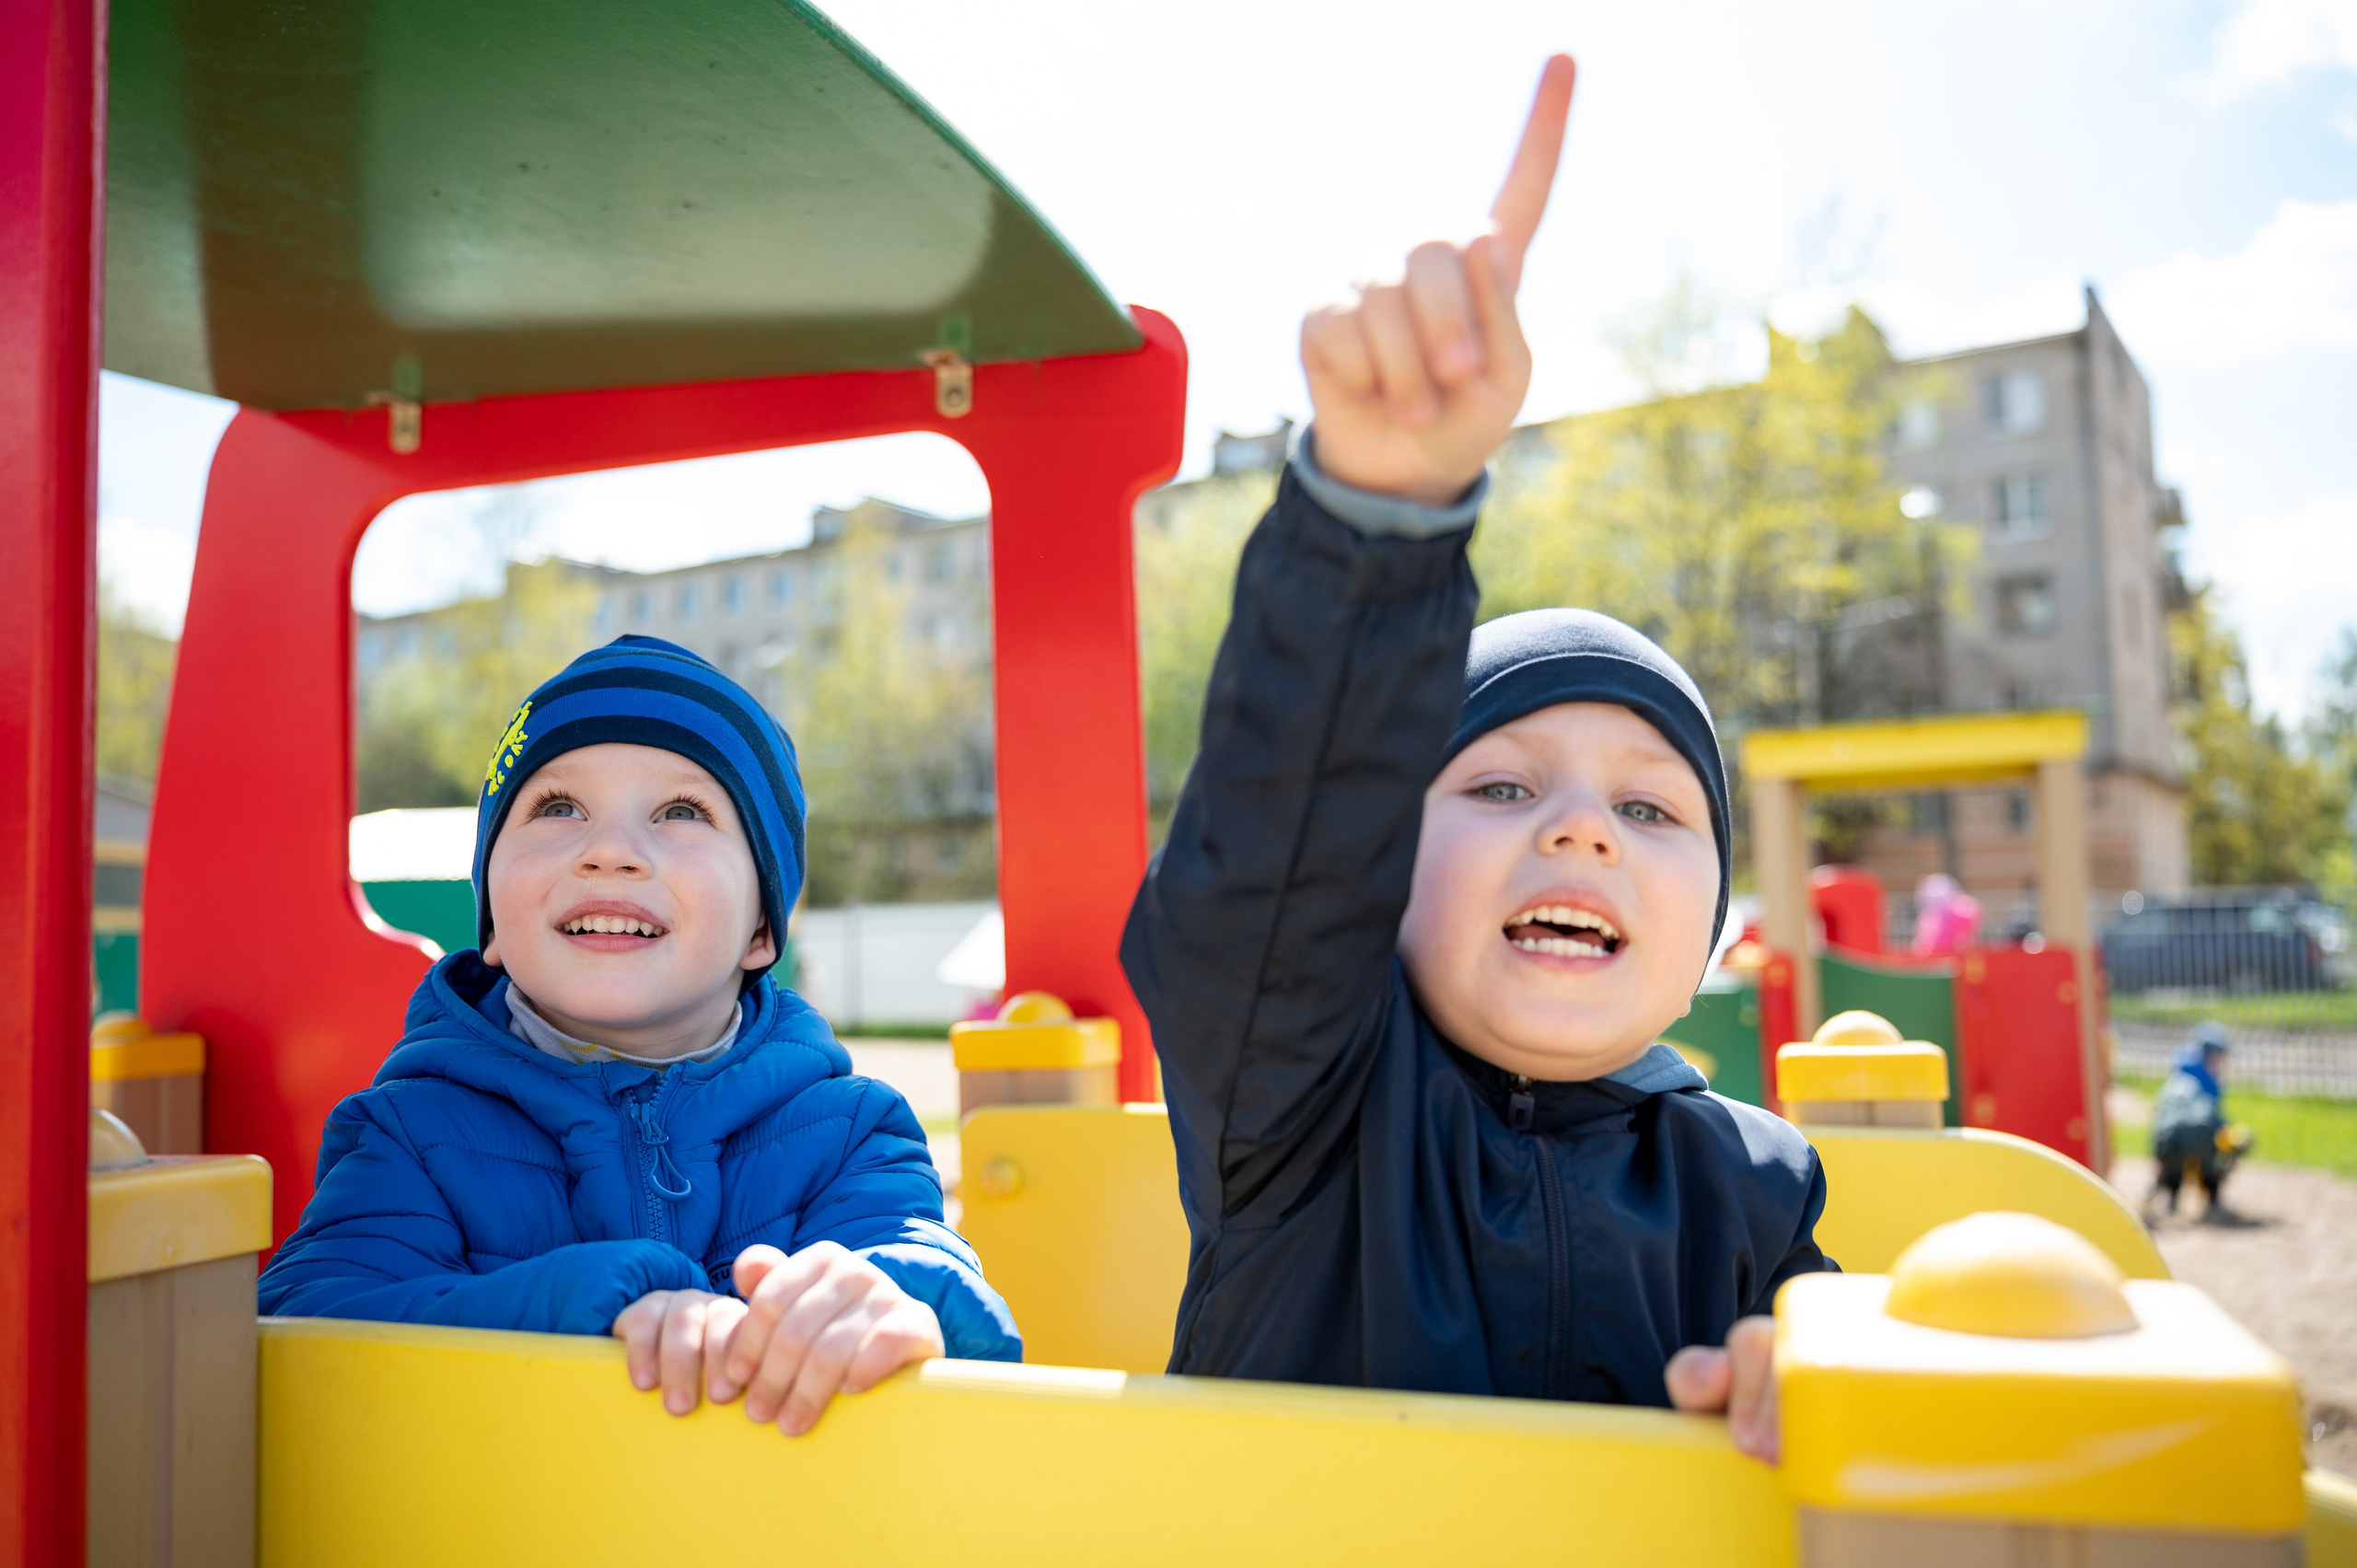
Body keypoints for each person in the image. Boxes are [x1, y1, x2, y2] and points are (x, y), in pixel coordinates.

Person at [1120, 55, 1828, 1466]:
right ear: (1381, 865)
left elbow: (1873, 1413)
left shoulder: (1755, 1189)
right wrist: (1375, 522)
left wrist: (1809, 1378)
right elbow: (1284, 851)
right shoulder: (1301, 1098)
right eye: (1504, 784)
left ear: (1711, 927)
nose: (1584, 830)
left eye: (1651, 806)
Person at [260, 637, 1020, 1434]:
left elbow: (925, 1272)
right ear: (490, 920)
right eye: (559, 807)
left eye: (682, 812)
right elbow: (304, 1330)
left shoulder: (849, 1131)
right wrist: (590, 1302)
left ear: (761, 929)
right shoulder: (408, 1134)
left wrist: (889, 1300)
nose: (610, 851)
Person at [2148, 1021, 2252, 1225]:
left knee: (2175, 1154)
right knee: (2220, 1148)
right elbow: (2211, 1119)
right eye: (2219, 1055)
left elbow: (2160, 1113)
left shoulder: (2179, 1075)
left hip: (2167, 1141)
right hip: (2197, 1139)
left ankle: (2169, 1196)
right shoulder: (2206, 1081)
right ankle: (2212, 1199)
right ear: (2211, 1055)